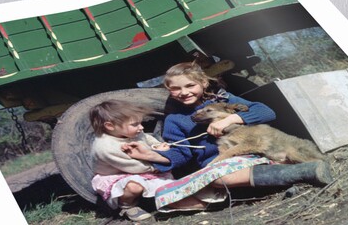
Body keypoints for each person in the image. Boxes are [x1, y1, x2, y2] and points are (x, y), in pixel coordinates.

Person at [123, 61, 333, 210]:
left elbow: (266, 112)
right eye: (176, 88)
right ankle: (301, 173)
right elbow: (181, 153)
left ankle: (302, 171)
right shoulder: (174, 120)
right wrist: (152, 156)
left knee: (277, 153)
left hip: (255, 151)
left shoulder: (223, 100)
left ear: (203, 83)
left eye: (190, 85)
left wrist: (231, 119)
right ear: (168, 90)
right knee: (217, 176)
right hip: (222, 163)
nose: (184, 92)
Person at [89, 99, 207, 222]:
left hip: (145, 171)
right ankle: (127, 205)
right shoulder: (106, 147)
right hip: (120, 175)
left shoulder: (133, 133)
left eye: (140, 123)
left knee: (167, 189)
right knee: (134, 186)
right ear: (110, 126)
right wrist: (157, 166)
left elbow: (148, 139)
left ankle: (169, 200)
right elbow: (134, 167)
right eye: (135, 124)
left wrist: (158, 147)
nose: (141, 127)